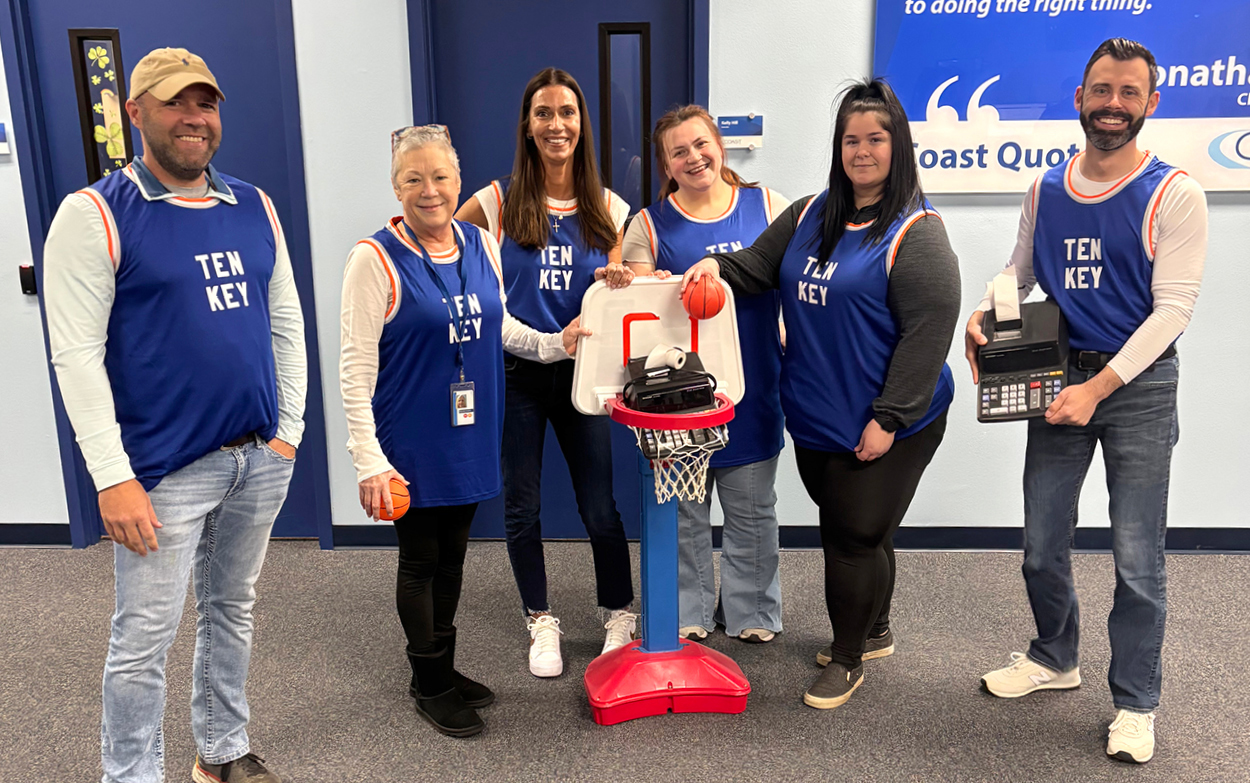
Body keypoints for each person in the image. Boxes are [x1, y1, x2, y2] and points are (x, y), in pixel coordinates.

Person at [43, 48, 306, 783]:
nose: (194, 117)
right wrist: (111, 475)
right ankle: (129, 775)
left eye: (206, 103)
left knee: (232, 609)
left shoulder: (255, 205)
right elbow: (76, 355)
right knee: (142, 640)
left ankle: (221, 751)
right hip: (162, 473)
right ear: (135, 112)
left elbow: (284, 319)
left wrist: (290, 432)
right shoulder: (93, 213)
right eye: (174, 102)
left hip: (258, 457)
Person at [682, 79, 961, 710]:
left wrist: (888, 418)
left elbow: (928, 335)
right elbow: (756, 266)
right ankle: (876, 629)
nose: (862, 151)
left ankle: (847, 657)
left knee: (853, 535)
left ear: (899, 146)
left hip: (890, 416)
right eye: (851, 139)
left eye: (876, 139)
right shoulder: (810, 214)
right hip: (814, 412)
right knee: (862, 529)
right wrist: (714, 267)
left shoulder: (918, 234)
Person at [968, 39, 1207, 764]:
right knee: (1042, 542)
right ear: (1079, 97)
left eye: (1129, 93)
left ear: (1150, 103)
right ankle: (1054, 656)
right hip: (1058, 375)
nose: (1113, 104)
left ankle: (1135, 702)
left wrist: (1097, 389)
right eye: (1101, 90)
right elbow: (1020, 273)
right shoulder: (1045, 189)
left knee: (1138, 557)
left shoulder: (1176, 193)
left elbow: (1172, 311)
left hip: (1138, 385)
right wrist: (985, 314)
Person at [339, 126, 586, 736]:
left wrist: (556, 345)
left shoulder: (479, 241)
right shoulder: (373, 258)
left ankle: (441, 668)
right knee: (421, 559)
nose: (430, 191)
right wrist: (369, 459)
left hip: (469, 432)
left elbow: (498, 327)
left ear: (457, 179)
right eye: (412, 179)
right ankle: (428, 681)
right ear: (395, 187)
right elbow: (354, 367)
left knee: (453, 557)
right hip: (411, 438)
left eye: (441, 176)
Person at [456, 68, 636, 678]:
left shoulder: (611, 207)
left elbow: (619, 299)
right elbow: (460, 274)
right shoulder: (494, 202)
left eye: (567, 112)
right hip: (519, 372)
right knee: (523, 505)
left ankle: (618, 613)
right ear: (528, 126)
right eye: (543, 113)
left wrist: (616, 282)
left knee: (600, 507)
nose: (556, 124)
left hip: (583, 377)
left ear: (582, 124)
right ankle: (541, 619)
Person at [621, 105, 789, 644]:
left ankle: (753, 614)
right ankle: (684, 611)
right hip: (678, 400)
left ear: (719, 145)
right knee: (684, 513)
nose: (693, 157)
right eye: (678, 151)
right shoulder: (647, 226)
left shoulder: (769, 206)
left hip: (755, 385)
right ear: (666, 165)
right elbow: (639, 313)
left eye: (700, 144)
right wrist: (650, 286)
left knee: (753, 508)